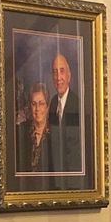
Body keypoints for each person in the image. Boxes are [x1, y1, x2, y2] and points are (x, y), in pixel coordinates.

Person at [46, 49, 83, 179]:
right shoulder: (53, 103)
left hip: (72, 177)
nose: (58, 77)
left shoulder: (77, 105)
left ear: (69, 75)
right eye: (55, 72)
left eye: (62, 71)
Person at [13, 81, 53, 181]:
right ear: (30, 107)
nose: (37, 109)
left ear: (47, 107)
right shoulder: (20, 132)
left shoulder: (56, 134)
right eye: (34, 104)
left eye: (41, 104)